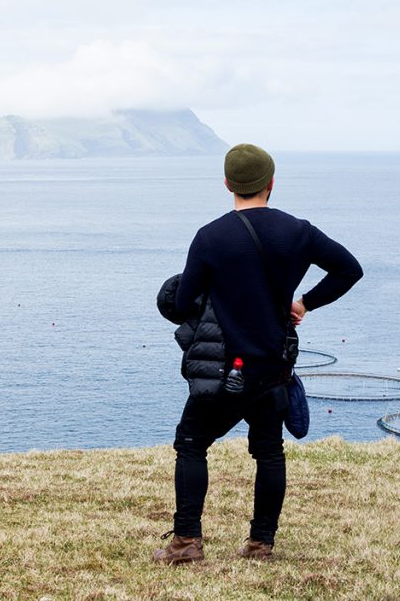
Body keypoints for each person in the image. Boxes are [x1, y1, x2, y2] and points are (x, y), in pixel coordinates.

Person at [153, 143, 363, 564]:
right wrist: (304, 302)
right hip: (274, 367)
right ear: (270, 183)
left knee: (191, 443)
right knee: (268, 450)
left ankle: (186, 543)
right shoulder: (299, 231)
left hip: (225, 368)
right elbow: (349, 270)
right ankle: (260, 544)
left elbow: (179, 306)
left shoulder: (210, 237)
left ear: (228, 183)